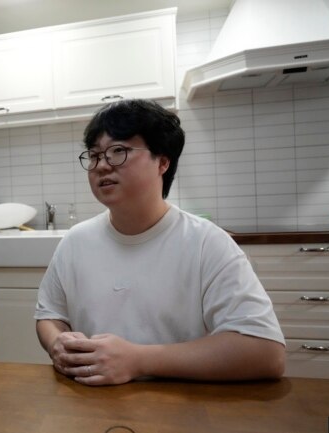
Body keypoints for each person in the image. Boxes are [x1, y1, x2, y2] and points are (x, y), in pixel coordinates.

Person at [35, 99, 285, 386]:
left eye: (118, 151)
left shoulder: (206, 243)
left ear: (162, 161)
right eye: (94, 155)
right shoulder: (75, 242)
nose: (101, 165)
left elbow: (266, 352)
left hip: (182, 408)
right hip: (91, 404)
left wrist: (138, 360)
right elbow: (50, 316)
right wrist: (57, 343)